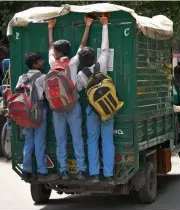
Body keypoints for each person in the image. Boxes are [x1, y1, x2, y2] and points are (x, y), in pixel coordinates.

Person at [48, 17, 93, 180]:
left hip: (56, 106)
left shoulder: (53, 63)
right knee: (77, 137)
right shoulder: (73, 62)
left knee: (60, 138)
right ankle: (81, 169)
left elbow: (50, 47)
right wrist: (87, 26)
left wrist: (50, 28)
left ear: (57, 52)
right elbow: (82, 46)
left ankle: (64, 170)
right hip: (72, 104)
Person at [77, 16, 115, 185]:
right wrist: (104, 26)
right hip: (107, 108)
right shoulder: (102, 64)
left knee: (92, 140)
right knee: (108, 140)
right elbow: (105, 48)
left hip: (92, 110)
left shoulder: (81, 75)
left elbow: (77, 90)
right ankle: (108, 174)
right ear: (94, 57)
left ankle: (93, 174)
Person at [16, 53, 59, 182]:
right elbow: (47, 94)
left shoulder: (22, 77)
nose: (42, 62)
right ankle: (42, 171)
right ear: (35, 64)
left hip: (26, 113)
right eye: (40, 61)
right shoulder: (42, 77)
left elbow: (17, 91)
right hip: (39, 111)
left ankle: (26, 170)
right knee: (39, 142)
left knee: (28, 142)